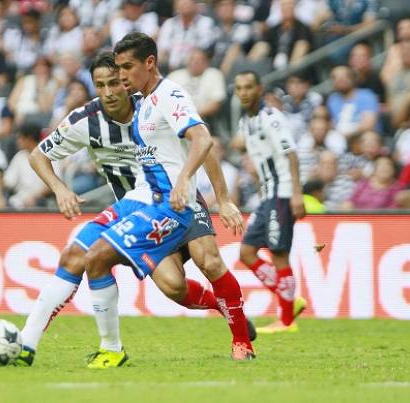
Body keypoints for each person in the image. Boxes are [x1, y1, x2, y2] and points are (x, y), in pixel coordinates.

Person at [17, 49, 255, 368]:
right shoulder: (85, 121)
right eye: (100, 85)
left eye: (116, 81)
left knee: (209, 261)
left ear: (127, 79)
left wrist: (222, 197)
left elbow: (203, 143)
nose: (110, 91)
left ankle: (239, 338)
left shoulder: (154, 102)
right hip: (134, 209)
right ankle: (25, 345)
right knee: (173, 287)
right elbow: (37, 155)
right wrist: (60, 189)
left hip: (179, 198)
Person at [234, 70, 307, 333]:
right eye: (239, 88)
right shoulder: (247, 121)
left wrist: (296, 193)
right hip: (267, 196)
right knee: (247, 252)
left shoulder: (270, 117)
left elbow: (291, 153)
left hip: (283, 192)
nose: (243, 92)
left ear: (259, 89)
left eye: (248, 87)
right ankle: (290, 299)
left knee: (278, 254)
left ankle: (286, 321)